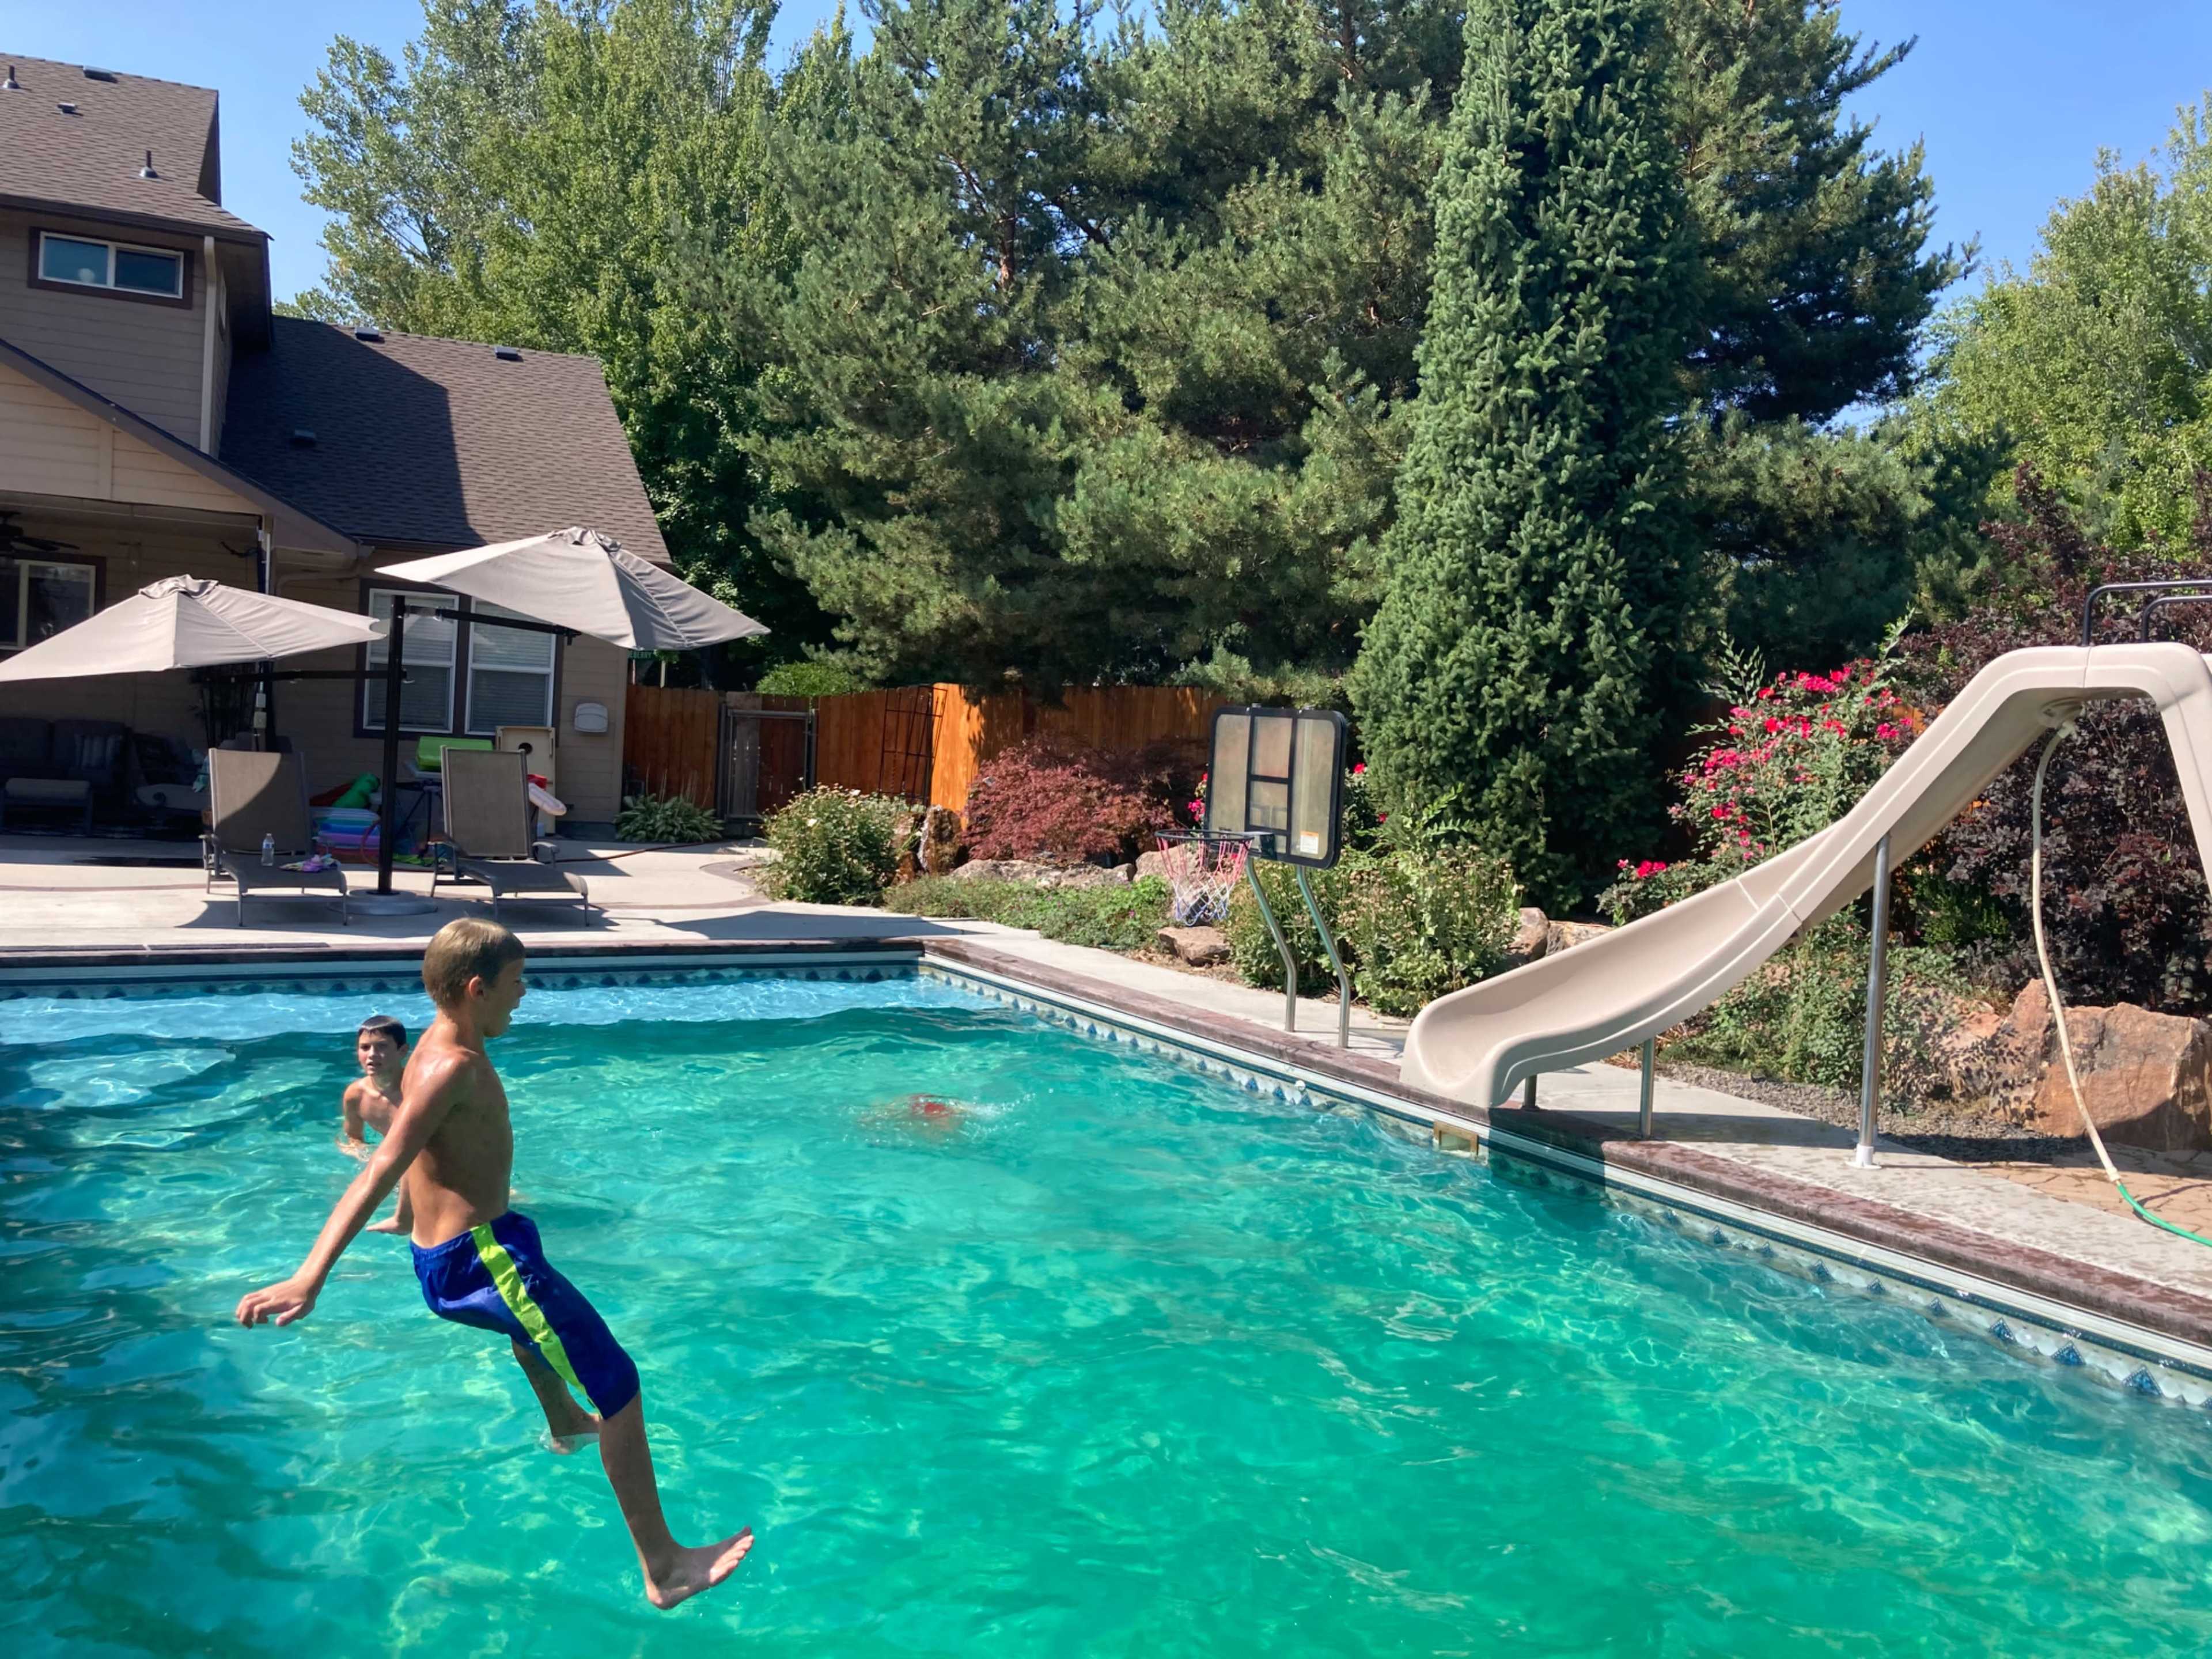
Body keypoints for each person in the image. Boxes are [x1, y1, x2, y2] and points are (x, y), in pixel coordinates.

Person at [235, 918, 753, 1611]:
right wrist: (312, 1275)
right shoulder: (455, 1065)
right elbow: (383, 1165)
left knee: (533, 1329)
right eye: (516, 984)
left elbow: (428, 1155)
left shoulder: (433, 1047)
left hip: (477, 1244)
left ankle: (565, 1421)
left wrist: (414, 1221)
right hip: (480, 1258)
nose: (525, 994)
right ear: (477, 989)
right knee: (620, 1387)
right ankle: (664, 1568)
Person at [339, 1015, 413, 1236]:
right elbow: (353, 1139)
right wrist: (367, 1158)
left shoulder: (415, 1091)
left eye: (382, 1047)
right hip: (400, 1171)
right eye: (365, 1048)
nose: (372, 1055)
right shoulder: (356, 1095)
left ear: (402, 1051)